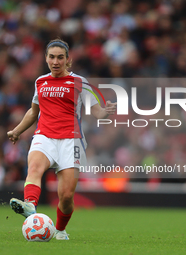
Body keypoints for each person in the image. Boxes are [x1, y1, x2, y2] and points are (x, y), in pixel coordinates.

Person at [7, 39, 116, 240]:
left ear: (68, 60)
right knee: (34, 168)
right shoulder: (40, 82)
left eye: (60, 57)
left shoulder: (79, 82)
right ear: (46, 58)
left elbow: (97, 110)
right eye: (51, 57)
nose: (55, 61)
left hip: (71, 141)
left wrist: (106, 112)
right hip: (44, 136)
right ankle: (30, 204)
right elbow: (33, 112)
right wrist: (17, 131)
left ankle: (60, 230)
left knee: (65, 196)